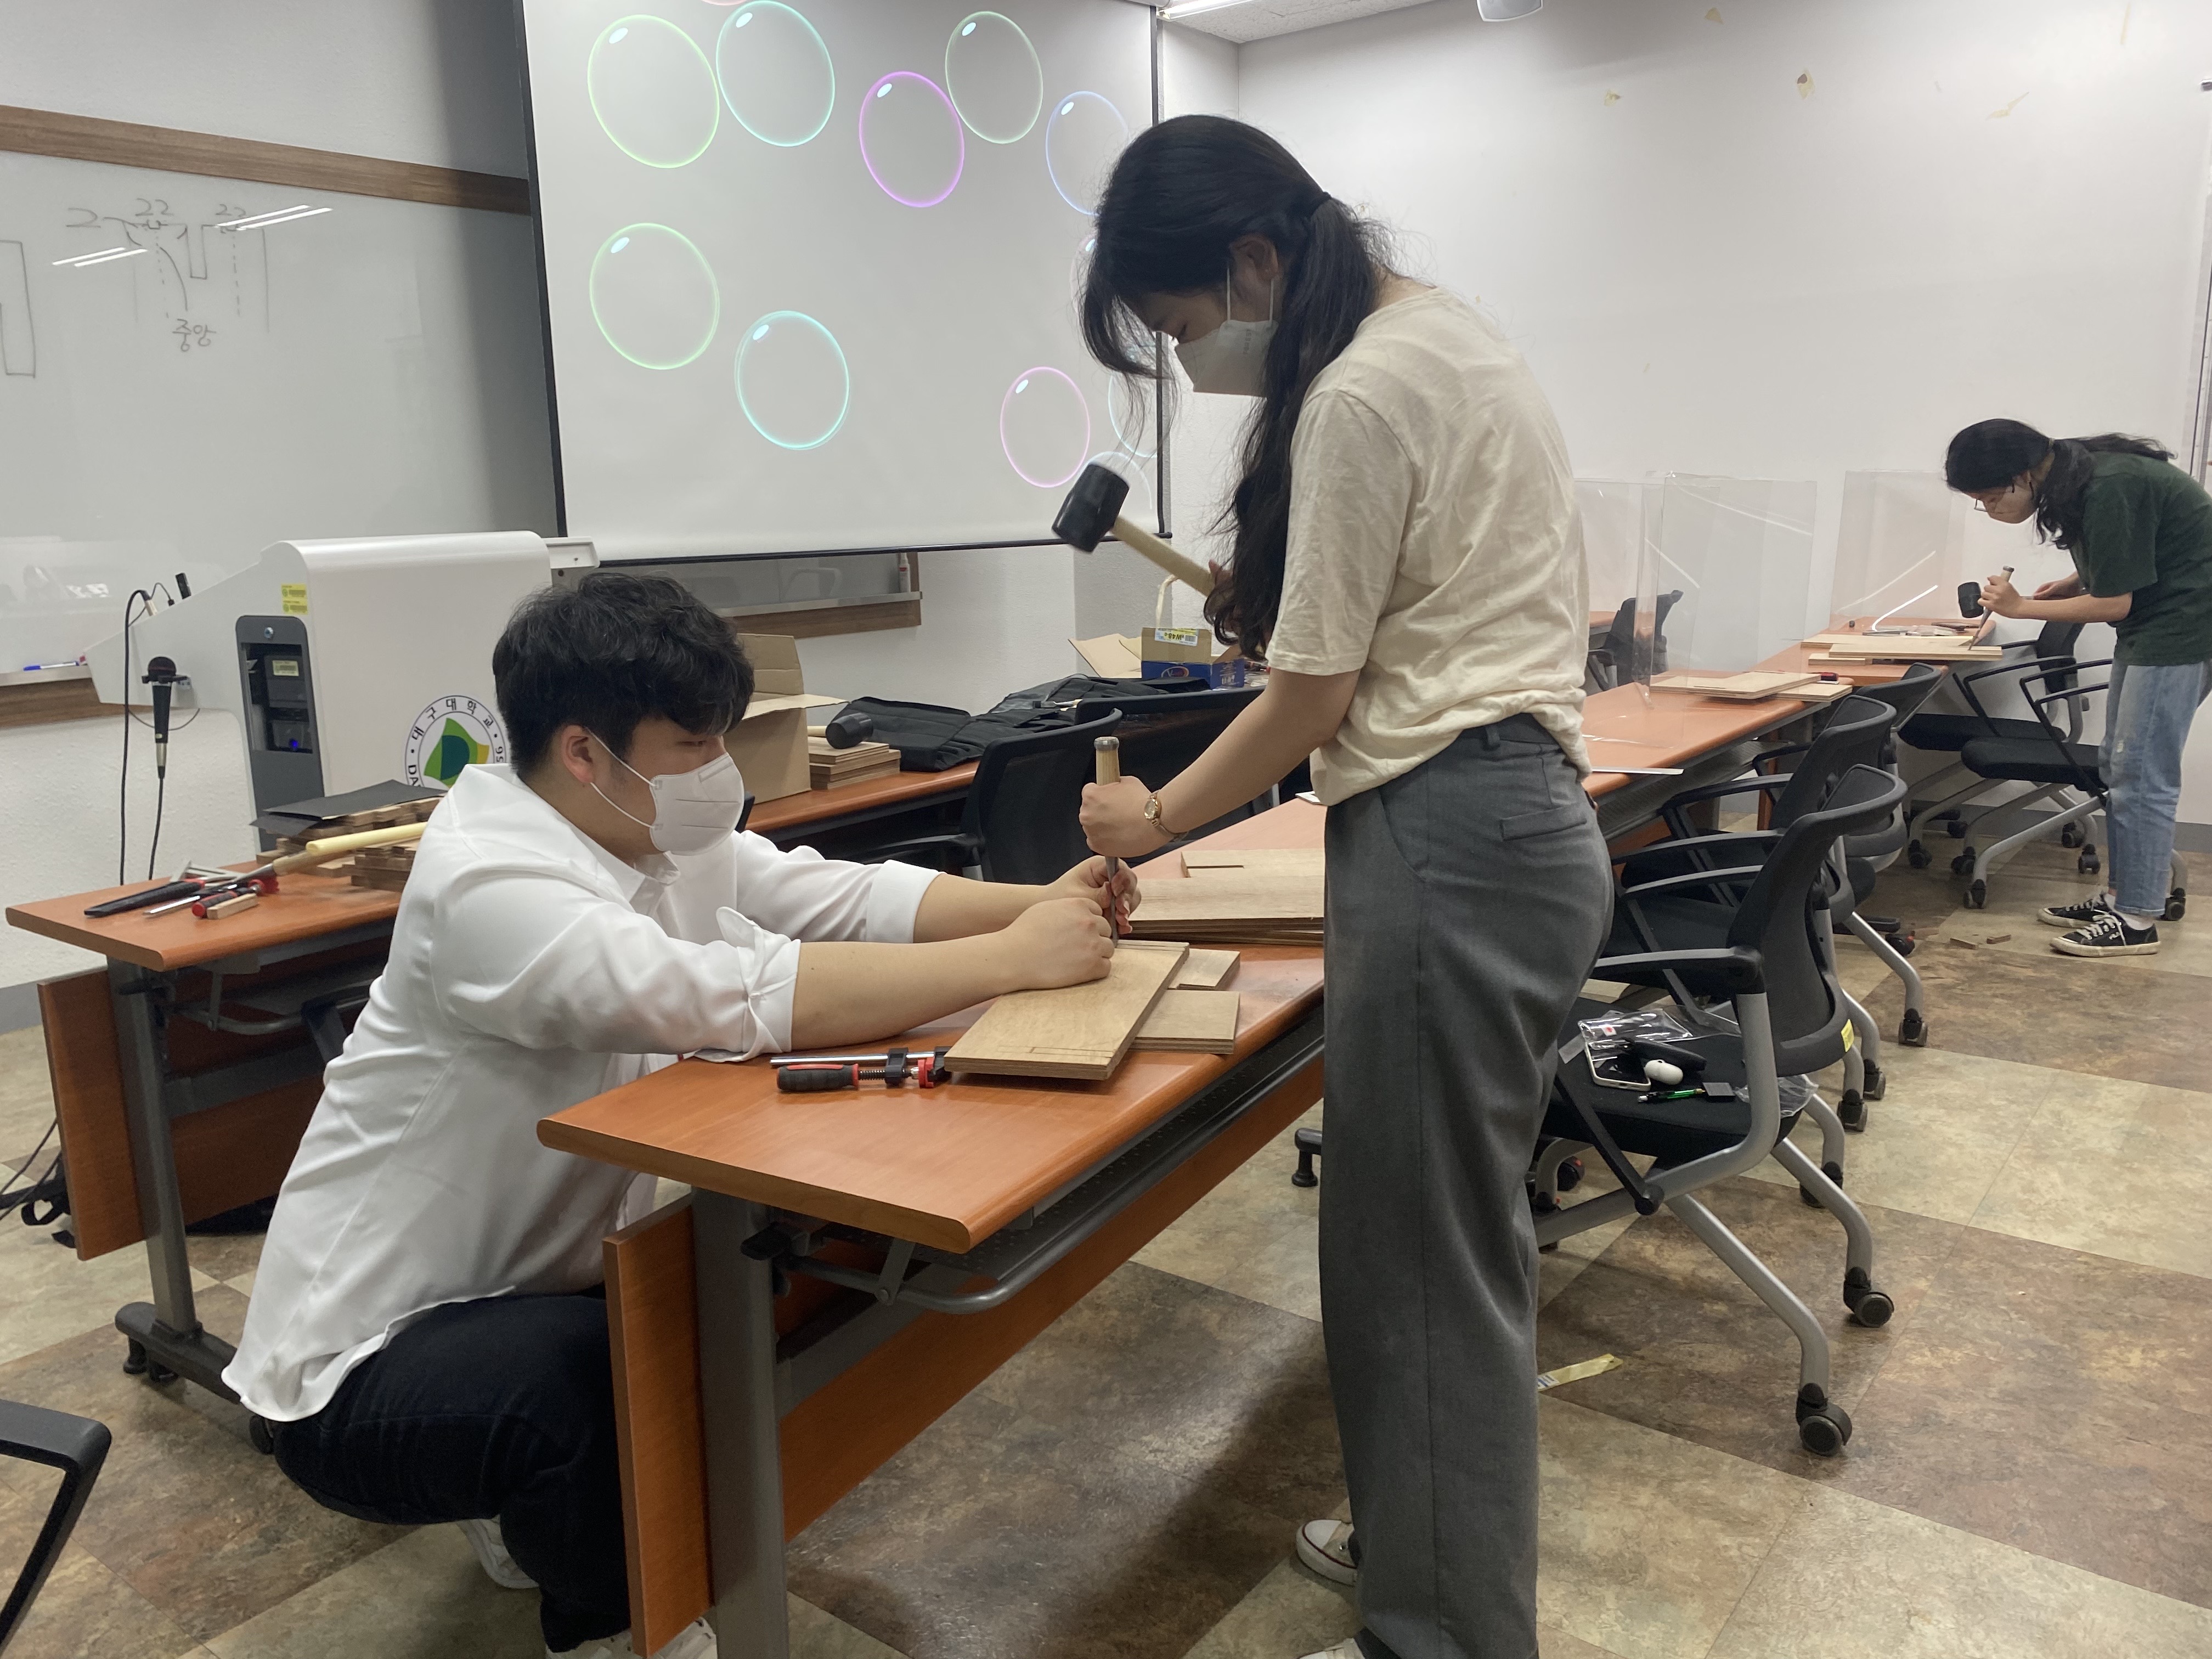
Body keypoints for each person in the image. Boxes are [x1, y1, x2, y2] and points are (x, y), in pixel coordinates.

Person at [224, 573, 1136, 1659]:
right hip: (355, 1366)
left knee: (697, 1311)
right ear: (582, 751)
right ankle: (612, 1628)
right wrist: (1009, 961)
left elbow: (843, 897)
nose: (719, 771)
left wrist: (1043, 903)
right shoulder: (488, 886)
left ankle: (545, 1503)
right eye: (694, 745)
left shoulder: (647, 830)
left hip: (519, 1282)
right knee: (594, 1386)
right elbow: (739, 997)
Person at [1075, 117, 1612, 1659]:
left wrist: (1151, 821)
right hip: (1502, 821)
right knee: (1439, 1249)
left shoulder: (1364, 390)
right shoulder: (1449, 339)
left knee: (1417, 1272)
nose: (1193, 361)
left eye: (1183, 324)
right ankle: (1421, 1543)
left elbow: (1312, 698)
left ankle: (1440, 1635)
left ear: (1254, 260)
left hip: (1450, 835)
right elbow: (1386, 627)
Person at [1946, 420, 2212, 957]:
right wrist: (2074, 581)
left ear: (2023, 475)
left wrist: (2022, 607)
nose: (1990, 509)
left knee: (2142, 775)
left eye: (1991, 497)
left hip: (2183, 627)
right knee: (2120, 767)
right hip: (2160, 624)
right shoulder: (2081, 473)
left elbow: (2116, 603)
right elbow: (2135, 554)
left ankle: (2136, 919)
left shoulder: (2111, 485)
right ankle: (2121, 898)